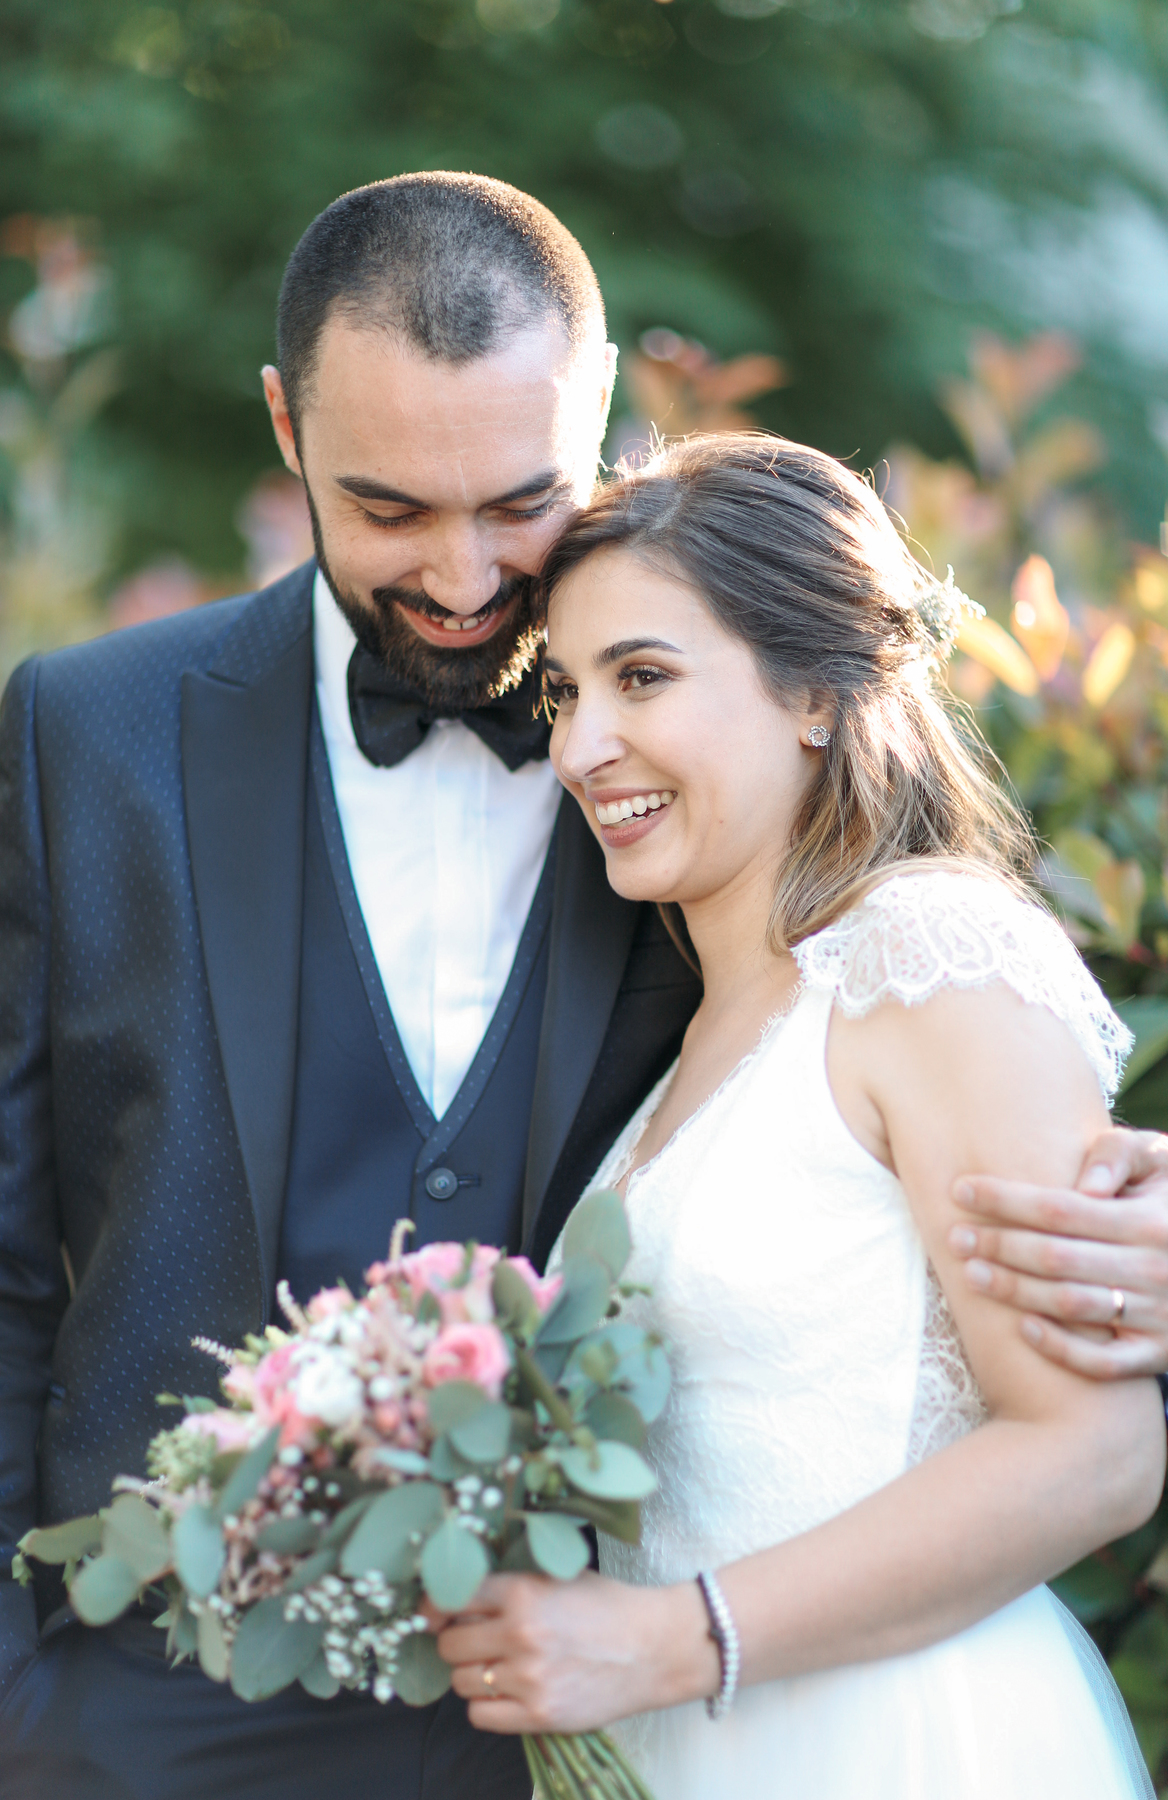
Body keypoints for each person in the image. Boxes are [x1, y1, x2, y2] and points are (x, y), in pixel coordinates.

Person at [0, 174, 1164, 1797]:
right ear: (284, 426)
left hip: (591, 1735)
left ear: (600, 420)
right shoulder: (85, 740)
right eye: (390, 508)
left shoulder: (716, 795)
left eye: (517, 502)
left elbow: (948, 1194)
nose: (465, 580)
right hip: (148, 1713)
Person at [434, 434, 1166, 1798]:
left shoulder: (930, 956)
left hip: (896, 1741)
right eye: (567, 690)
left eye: (643, 677)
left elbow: (1097, 1448)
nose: (584, 745)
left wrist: (675, 1638)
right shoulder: (692, 1019)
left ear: (818, 693)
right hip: (683, 1746)